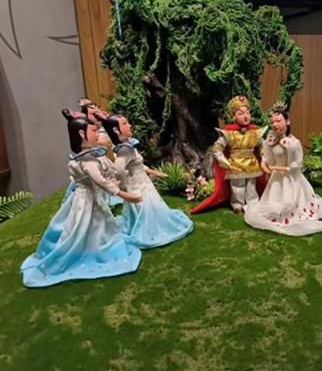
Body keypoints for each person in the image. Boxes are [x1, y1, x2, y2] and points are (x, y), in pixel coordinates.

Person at [20, 110, 142, 287]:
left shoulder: (87, 158)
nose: (97, 133)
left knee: (95, 224)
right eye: (93, 131)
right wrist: (125, 195)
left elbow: (103, 178)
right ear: (81, 134)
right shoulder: (88, 162)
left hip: (88, 196)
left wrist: (113, 181)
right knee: (88, 223)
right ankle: (96, 250)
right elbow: (101, 182)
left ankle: (98, 245)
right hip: (87, 199)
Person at [98, 113, 193, 249]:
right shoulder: (125, 151)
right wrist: (124, 183)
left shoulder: (128, 147)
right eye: (124, 123)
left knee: (151, 207)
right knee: (146, 209)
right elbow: (118, 169)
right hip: (138, 186)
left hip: (143, 182)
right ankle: (150, 229)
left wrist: (154, 172)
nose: (129, 125)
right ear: (116, 130)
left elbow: (137, 165)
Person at [244, 103, 322, 236]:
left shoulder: (294, 143)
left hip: (291, 178)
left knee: (290, 200)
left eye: (278, 121)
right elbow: (267, 157)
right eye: (273, 122)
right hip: (277, 178)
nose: (275, 125)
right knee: (274, 197)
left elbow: (297, 163)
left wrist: (282, 168)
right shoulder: (271, 139)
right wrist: (265, 163)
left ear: (287, 121)